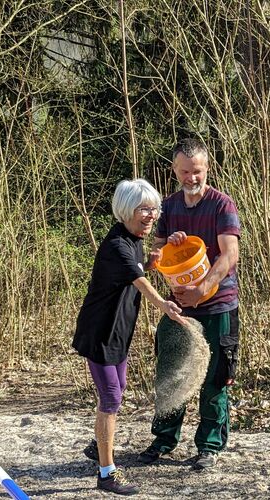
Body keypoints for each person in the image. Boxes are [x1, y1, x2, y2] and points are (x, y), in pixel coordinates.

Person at [72, 178, 186, 495]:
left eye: (154, 209)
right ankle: (106, 474)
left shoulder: (133, 238)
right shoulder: (117, 245)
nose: (151, 215)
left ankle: (98, 445)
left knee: (118, 388)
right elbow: (139, 281)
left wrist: (151, 261)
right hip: (100, 333)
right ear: (126, 210)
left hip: (118, 333)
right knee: (111, 397)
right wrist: (164, 305)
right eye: (143, 209)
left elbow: (135, 270)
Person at [138, 137, 241, 470]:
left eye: (197, 171)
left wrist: (203, 289)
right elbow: (154, 258)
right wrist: (167, 246)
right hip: (178, 307)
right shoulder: (168, 207)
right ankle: (164, 440)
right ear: (174, 170)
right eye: (185, 171)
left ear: (207, 168)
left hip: (218, 305)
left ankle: (209, 447)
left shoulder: (222, 205)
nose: (191, 178)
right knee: (171, 374)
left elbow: (229, 254)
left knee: (214, 379)